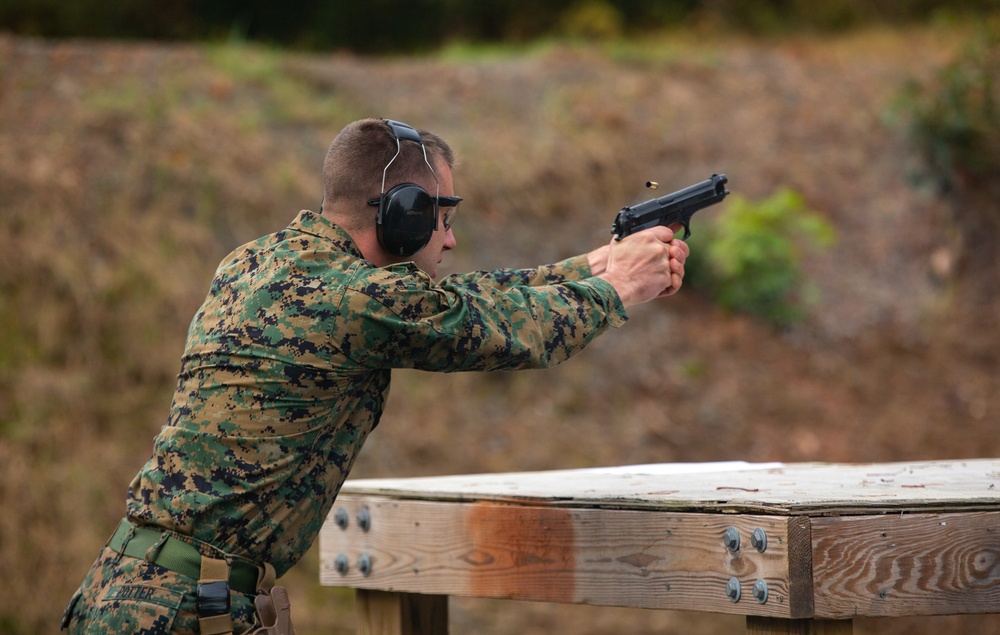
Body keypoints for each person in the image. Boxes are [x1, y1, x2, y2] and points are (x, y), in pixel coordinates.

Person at [61, 118, 689, 634]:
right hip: (180, 612)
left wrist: (591, 265)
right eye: (442, 216)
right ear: (404, 215)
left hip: (131, 588)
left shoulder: (258, 261)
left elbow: (462, 299)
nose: (448, 239)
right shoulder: (357, 300)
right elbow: (503, 332)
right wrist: (619, 286)